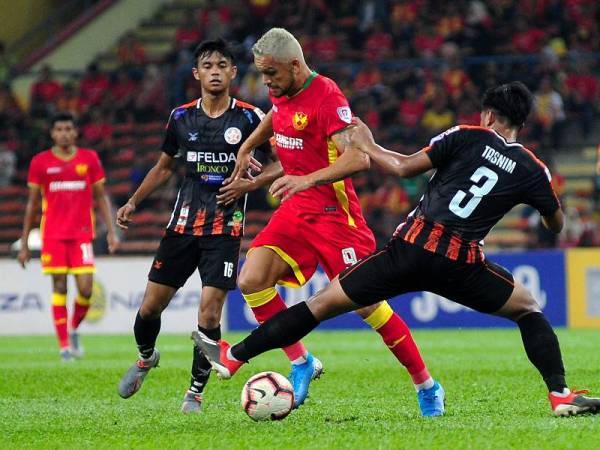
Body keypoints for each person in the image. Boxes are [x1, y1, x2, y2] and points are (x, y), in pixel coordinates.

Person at [194, 82, 600, 417]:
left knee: (320, 304)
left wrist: (367, 142)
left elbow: (403, 167)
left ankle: (236, 356)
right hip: (461, 264)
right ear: (522, 123)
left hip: (410, 249)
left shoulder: (466, 135)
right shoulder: (534, 169)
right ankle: (560, 393)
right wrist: (547, 214)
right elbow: (556, 223)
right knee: (527, 308)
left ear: (488, 116)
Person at [201, 27, 444, 415]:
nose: (266, 83)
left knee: (369, 307)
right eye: (262, 75)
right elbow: (277, 117)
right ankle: (301, 362)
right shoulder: (281, 91)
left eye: (271, 75)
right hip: (297, 211)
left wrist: (306, 179)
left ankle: (427, 385)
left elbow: (359, 157)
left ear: (295, 66)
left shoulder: (328, 97)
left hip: (335, 216)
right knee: (251, 279)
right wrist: (248, 145)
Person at [115, 39, 272, 413]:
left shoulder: (252, 117)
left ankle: (195, 394)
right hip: (182, 226)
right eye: (208, 65)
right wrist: (134, 200)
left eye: (222, 64)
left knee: (209, 314)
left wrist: (252, 182)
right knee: (151, 308)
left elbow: (283, 162)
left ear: (234, 73)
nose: (215, 70)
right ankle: (146, 357)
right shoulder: (181, 117)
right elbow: (164, 167)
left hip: (225, 229)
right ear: (197, 74)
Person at [18, 112, 118, 361]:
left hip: (82, 235)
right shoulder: (40, 162)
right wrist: (24, 242)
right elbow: (32, 204)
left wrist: (112, 232)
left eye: (68, 129)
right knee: (59, 286)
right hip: (52, 234)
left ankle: (73, 329)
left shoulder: (89, 158)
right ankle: (64, 346)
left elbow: (101, 196)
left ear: (75, 132)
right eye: (59, 129)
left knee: (85, 289)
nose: (64, 133)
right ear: (52, 133)